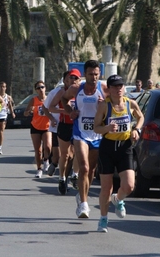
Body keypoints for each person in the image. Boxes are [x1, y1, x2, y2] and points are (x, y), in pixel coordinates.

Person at [93, 74, 144, 233]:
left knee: (129, 185)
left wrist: (136, 129)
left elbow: (140, 116)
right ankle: (103, 219)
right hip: (108, 147)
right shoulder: (104, 106)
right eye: (115, 86)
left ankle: (118, 199)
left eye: (121, 86)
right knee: (106, 188)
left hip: (125, 147)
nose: (119, 89)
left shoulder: (131, 103)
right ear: (109, 89)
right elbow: (96, 127)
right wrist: (107, 128)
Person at [61, 60, 109, 218]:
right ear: (85, 74)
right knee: (84, 167)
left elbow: (116, 106)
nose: (93, 77)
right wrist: (70, 112)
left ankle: (82, 195)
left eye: (96, 74)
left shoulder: (103, 89)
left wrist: (106, 106)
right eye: (90, 74)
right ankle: (83, 204)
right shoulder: (76, 88)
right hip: (80, 133)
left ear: (99, 74)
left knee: (92, 170)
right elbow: (64, 100)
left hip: (97, 134)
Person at [48, 69, 81, 194]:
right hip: (65, 125)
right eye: (71, 78)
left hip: (78, 126)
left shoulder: (82, 92)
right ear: (66, 80)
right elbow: (51, 107)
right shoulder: (62, 92)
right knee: (65, 155)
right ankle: (62, 178)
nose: (73, 80)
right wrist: (65, 111)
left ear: (79, 80)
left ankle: (75, 175)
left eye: (76, 78)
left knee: (78, 152)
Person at [24, 80, 51, 178]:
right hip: (35, 126)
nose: (41, 89)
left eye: (42, 87)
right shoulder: (33, 100)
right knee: (38, 150)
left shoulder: (49, 99)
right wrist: (28, 111)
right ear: (36, 90)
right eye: (38, 88)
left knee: (48, 146)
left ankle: (46, 160)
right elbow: (26, 112)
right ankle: (39, 169)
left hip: (47, 127)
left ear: (45, 88)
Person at [42, 76, 65, 177]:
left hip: (72, 127)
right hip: (57, 127)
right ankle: (54, 163)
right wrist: (51, 118)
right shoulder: (54, 92)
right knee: (58, 154)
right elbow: (45, 107)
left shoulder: (78, 92)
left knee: (70, 154)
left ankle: (65, 176)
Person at [0, 81, 15, 155]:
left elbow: (10, 105)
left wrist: (12, 113)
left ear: (5, 88)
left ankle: (0, 148)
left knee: (1, 131)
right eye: (1, 87)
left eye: (4, 87)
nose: (2, 88)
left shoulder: (8, 97)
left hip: (3, 115)